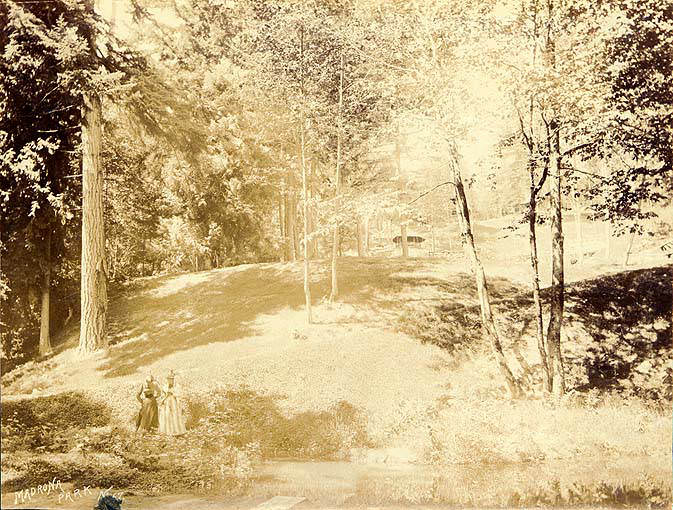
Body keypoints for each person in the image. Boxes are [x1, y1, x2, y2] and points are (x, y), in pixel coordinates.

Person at [158, 369, 186, 436]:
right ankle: (168, 431)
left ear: (173, 379)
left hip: (174, 402)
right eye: (169, 379)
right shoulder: (165, 386)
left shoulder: (177, 386)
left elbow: (179, 394)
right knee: (167, 415)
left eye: (171, 379)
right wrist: (164, 397)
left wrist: (173, 393)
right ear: (167, 379)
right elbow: (162, 395)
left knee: (175, 415)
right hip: (167, 402)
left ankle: (177, 431)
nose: (170, 380)